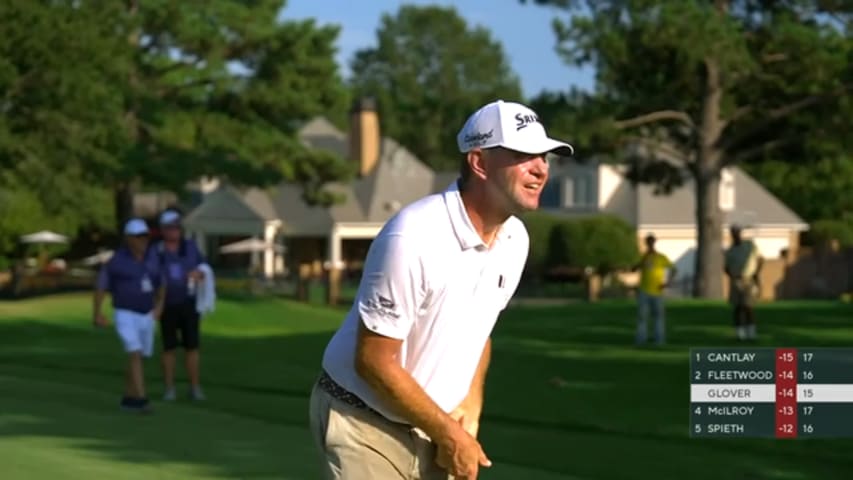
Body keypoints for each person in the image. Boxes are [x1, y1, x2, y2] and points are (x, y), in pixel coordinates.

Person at [308, 99, 574, 479]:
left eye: (544, 157)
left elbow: (480, 334)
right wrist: (449, 433)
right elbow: (373, 360)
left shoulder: (515, 239)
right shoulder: (414, 235)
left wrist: (471, 401)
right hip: (361, 420)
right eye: (522, 155)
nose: (541, 169)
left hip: (431, 426)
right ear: (479, 163)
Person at [93, 218, 164, 413]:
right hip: (124, 313)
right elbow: (101, 286)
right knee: (134, 351)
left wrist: (160, 306)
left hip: (146, 314)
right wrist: (97, 313)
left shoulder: (152, 259)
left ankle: (128, 398)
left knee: (140, 356)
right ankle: (141, 399)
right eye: (139, 237)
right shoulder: (116, 261)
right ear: (129, 239)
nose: (144, 241)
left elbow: (160, 283)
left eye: (145, 237)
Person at [152, 209, 209, 401]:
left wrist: (198, 275)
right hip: (167, 304)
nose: (174, 231)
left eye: (177, 227)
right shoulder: (157, 251)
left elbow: (204, 268)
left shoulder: (190, 247)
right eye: (170, 228)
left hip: (188, 303)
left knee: (192, 347)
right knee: (169, 348)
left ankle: (194, 387)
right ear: (163, 230)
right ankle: (169, 388)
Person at [632, 233, 676, 346]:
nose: (650, 244)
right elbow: (633, 269)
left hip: (657, 291)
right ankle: (641, 340)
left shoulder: (661, 257)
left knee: (658, 317)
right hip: (644, 290)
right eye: (648, 242)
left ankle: (659, 340)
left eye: (652, 242)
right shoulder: (643, 257)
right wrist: (643, 260)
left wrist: (667, 282)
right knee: (642, 316)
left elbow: (673, 269)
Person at [724, 225, 763, 341]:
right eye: (733, 233)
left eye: (737, 232)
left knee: (748, 307)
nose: (735, 235)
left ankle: (751, 333)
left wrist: (756, 274)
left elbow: (760, 260)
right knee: (737, 308)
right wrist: (732, 275)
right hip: (736, 281)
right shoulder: (730, 251)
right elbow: (726, 267)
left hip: (748, 280)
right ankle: (740, 334)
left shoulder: (749, 246)